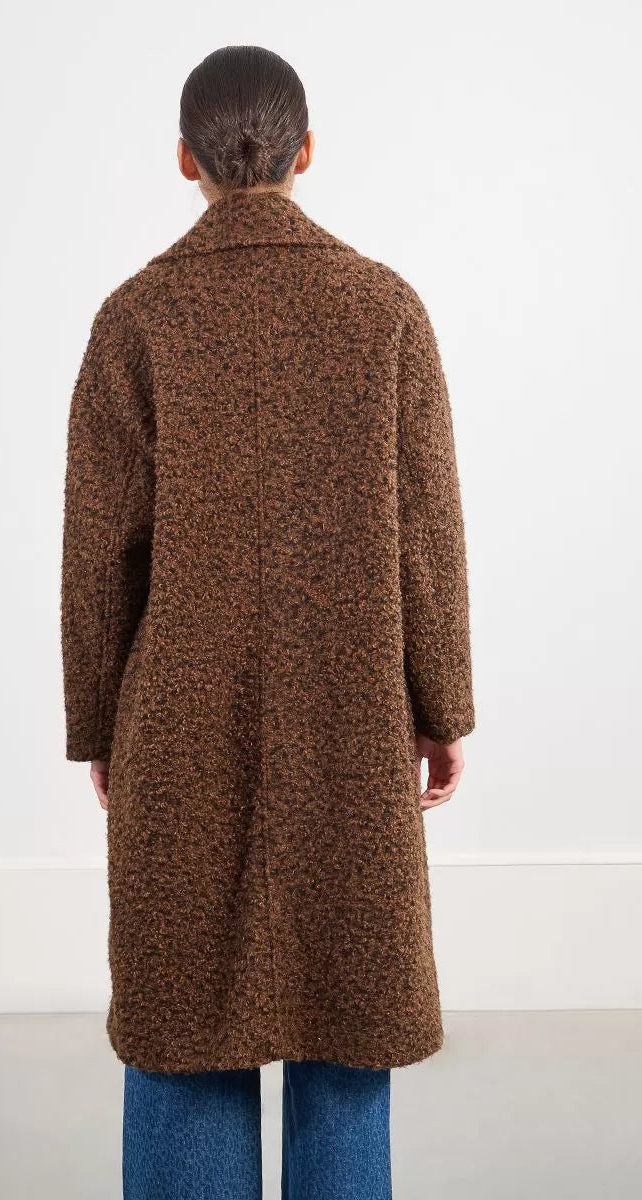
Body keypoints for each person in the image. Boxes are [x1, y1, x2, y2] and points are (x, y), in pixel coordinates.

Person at [61, 44, 475, 1200]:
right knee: (347, 1020)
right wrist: (440, 706)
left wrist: (98, 723)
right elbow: (426, 535)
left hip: (178, 731)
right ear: (305, 152)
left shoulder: (136, 318)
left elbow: (98, 551)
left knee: (184, 1024)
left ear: (182, 159)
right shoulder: (383, 311)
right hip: (349, 722)